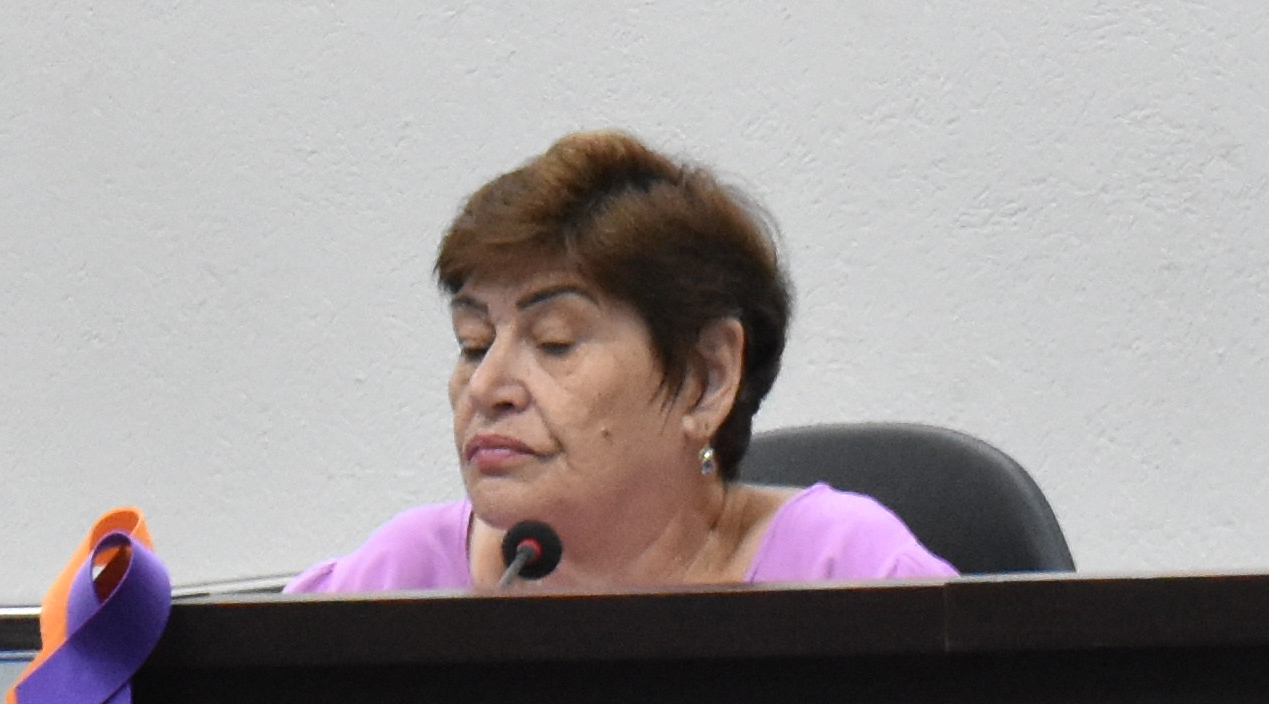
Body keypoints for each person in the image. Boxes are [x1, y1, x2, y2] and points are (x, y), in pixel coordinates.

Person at [292, 133, 950, 593]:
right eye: (473, 342)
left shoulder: (843, 568)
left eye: (555, 342)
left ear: (706, 379)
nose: (486, 387)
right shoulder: (408, 575)